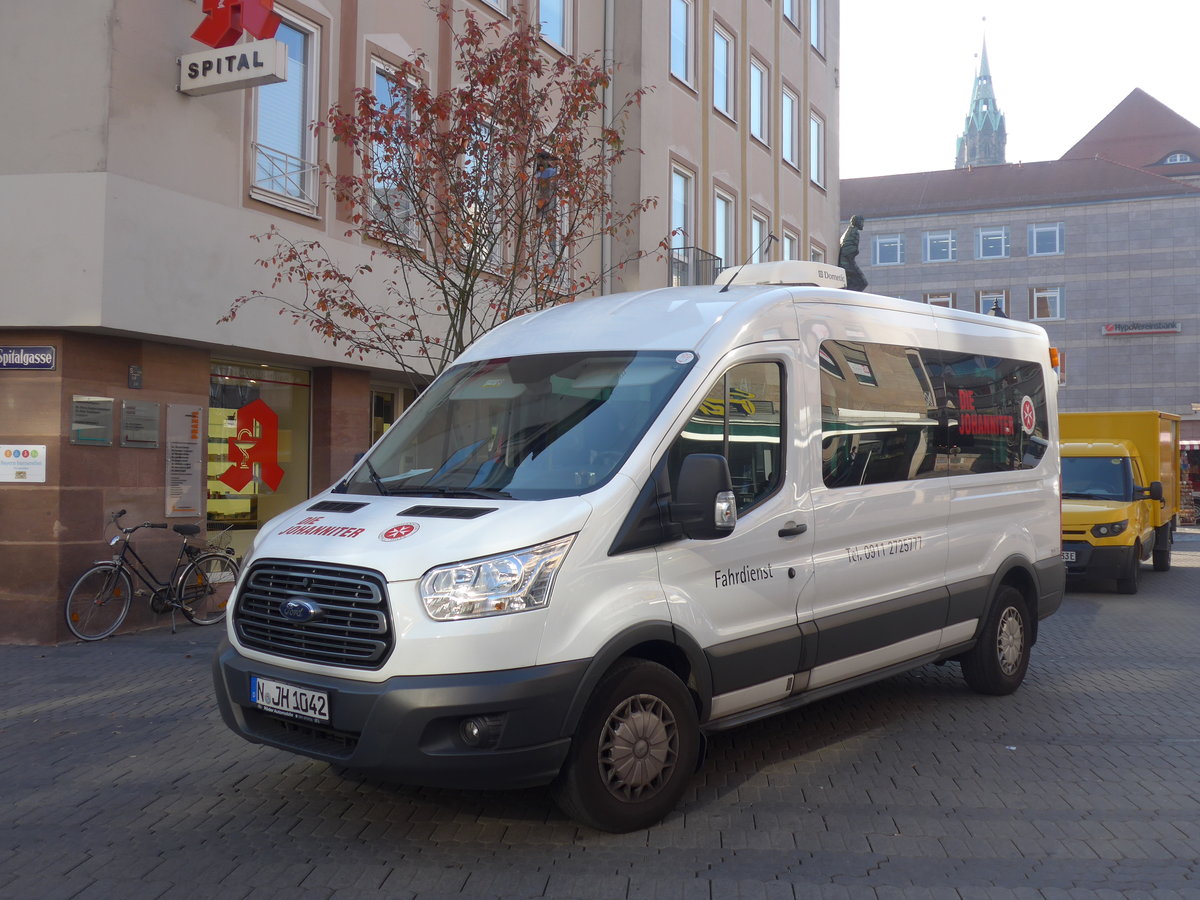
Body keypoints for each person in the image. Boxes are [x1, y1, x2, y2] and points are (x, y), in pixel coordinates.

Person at [838, 214, 868, 292]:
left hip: (846, 262)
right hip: (847, 263)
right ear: (857, 222)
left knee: (855, 282)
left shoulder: (850, 231)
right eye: (862, 222)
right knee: (863, 282)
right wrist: (855, 251)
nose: (863, 225)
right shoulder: (854, 232)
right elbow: (847, 250)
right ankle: (851, 297)